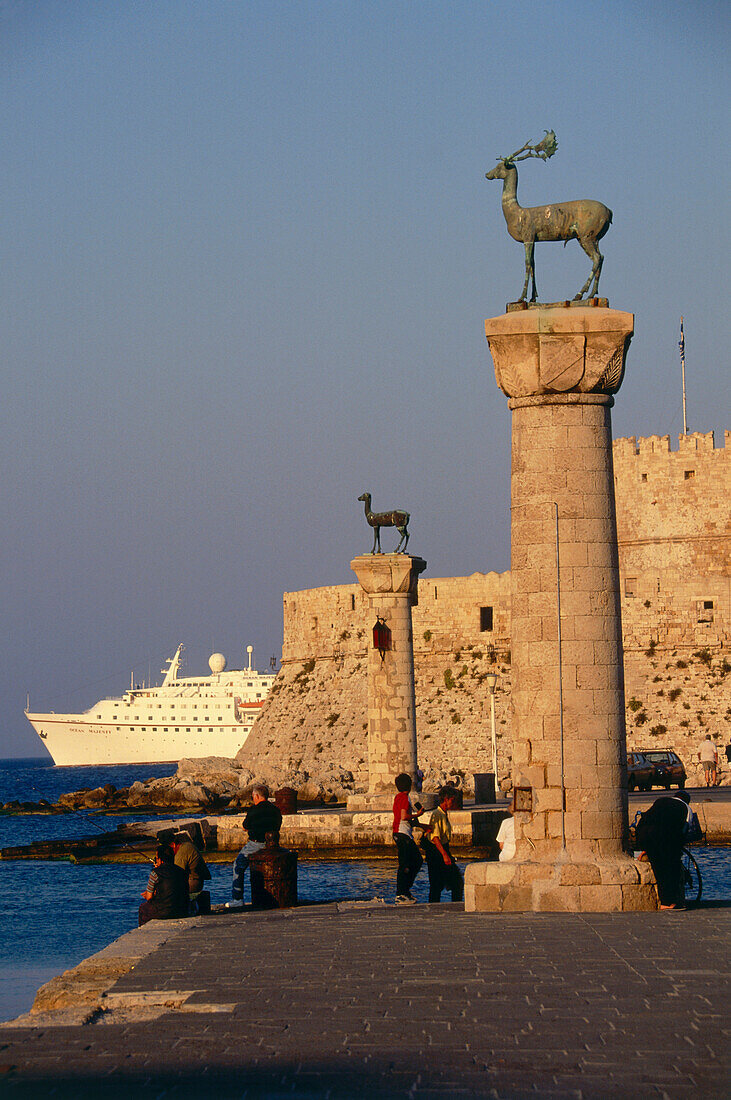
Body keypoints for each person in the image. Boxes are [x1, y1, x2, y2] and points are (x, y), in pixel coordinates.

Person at [635, 791, 694, 910]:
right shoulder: (686, 808)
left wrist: (645, 848)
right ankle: (668, 902)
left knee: (657, 865)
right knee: (670, 867)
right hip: (663, 835)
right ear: (686, 800)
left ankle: (666, 903)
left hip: (643, 833)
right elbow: (684, 830)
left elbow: (649, 819)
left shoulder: (660, 801)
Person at [230, 785, 283, 906]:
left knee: (238, 866)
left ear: (257, 796)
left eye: (253, 796)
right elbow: (278, 825)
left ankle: (237, 899)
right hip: (272, 845)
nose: (253, 799)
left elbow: (245, 826)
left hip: (256, 844)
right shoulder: (275, 810)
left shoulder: (254, 810)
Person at [421, 786, 464, 903]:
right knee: (438, 884)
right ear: (446, 799)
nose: (453, 803)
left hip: (443, 850)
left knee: (455, 882)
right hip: (437, 853)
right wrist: (444, 855)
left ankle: (454, 904)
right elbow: (435, 837)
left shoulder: (443, 814)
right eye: (452, 800)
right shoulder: (437, 814)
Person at [138, 844, 189, 926]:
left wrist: (148, 894)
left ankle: (143, 931)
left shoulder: (155, 873)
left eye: (156, 858)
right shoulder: (182, 871)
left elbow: (149, 897)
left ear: (160, 859)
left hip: (163, 911)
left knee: (143, 908)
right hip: (182, 910)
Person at [392, 772, 423, 904]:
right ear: (410, 785)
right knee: (409, 863)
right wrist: (418, 814)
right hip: (402, 834)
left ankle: (405, 891)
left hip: (402, 833)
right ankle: (401, 893)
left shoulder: (399, 797)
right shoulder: (404, 798)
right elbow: (404, 816)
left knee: (414, 861)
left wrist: (423, 826)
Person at [172, 830, 211, 913]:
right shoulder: (187, 845)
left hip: (193, 883)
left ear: (173, 845)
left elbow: (177, 874)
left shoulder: (182, 852)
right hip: (197, 881)